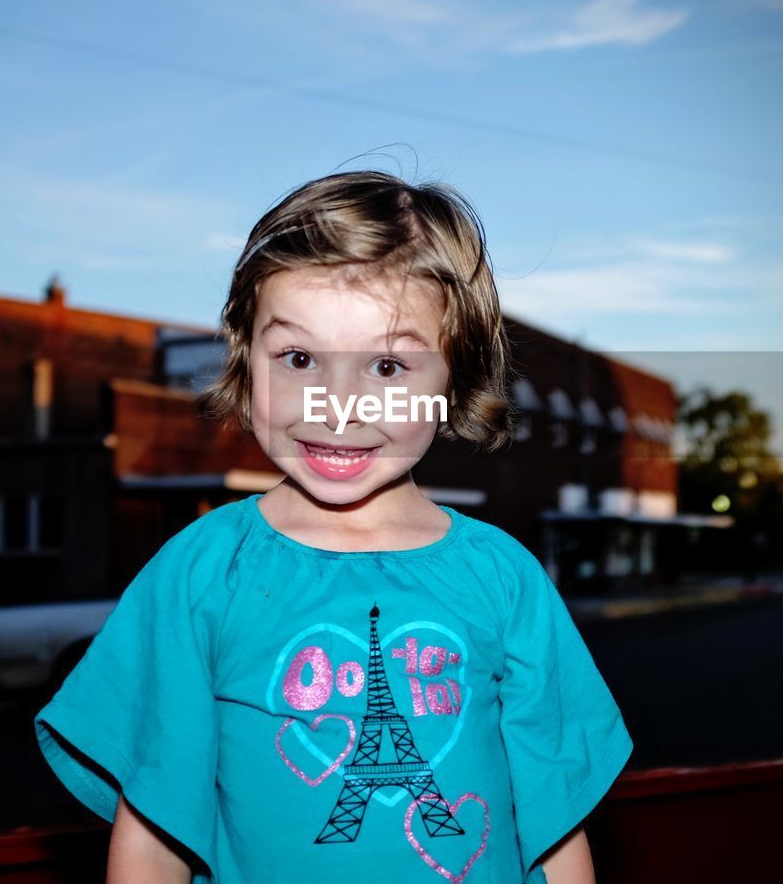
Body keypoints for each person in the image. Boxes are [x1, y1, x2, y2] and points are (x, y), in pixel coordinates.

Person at [33, 170, 633, 883]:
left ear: (455, 378)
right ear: (244, 358)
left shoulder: (505, 579)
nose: (336, 404)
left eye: (386, 365)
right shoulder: (198, 572)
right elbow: (152, 830)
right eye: (298, 358)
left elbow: (556, 829)